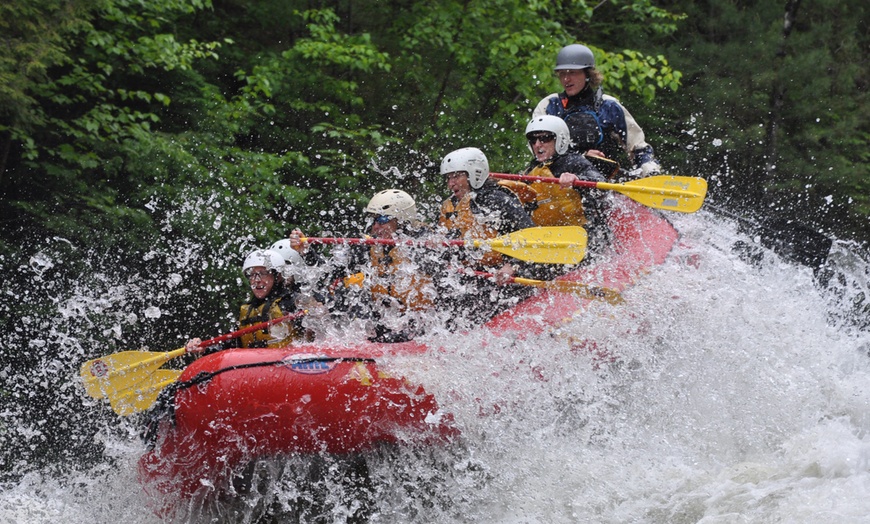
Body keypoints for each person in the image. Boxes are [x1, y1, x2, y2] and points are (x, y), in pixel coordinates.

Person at [289, 189, 437, 342]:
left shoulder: (424, 246)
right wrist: (306, 252)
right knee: (346, 293)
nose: (375, 227)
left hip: (423, 329)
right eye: (374, 220)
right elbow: (328, 273)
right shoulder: (368, 247)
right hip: (385, 326)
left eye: (382, 219)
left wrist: (439, 249)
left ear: (401, 220)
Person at [437, 147, 545, 325]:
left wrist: (513, 266)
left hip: (508, 275)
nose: (451, 183)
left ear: (473, 174)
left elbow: (531, 237)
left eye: (456, 176)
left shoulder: (497, 199)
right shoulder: (452, 206)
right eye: (448, 178)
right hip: (478, 275)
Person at [532, 43, 661, 177]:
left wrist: (650, 171)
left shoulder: (609, 106)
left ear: (587, 74)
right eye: (562, 73)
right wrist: (582, 156)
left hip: (601, 182)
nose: (566, 79)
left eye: (572, 73)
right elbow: (539, 150)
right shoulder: (549, 106)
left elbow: (638, 147)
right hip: (557, 181)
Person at [508, 115, 612, 254]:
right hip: (550, 240)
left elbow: (602, 185)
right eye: (533, 140)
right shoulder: (531, 171)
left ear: (560, 139)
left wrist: (577, 179)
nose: (538, 144)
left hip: (586, 239)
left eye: (545, 138)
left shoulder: (573, 162)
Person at [185, 248, 312, 354]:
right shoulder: (247, 310)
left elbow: (317, 331)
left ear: (277, 276)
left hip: (288, 370)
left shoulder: (292, 302)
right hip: (254, 373)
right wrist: (205, 348)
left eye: (263, 273)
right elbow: (229, 345)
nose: (256, 280)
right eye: (252, 274)